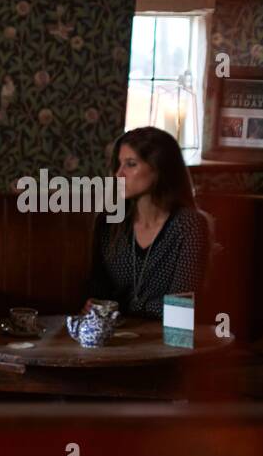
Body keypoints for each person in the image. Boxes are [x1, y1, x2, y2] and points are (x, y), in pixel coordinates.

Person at [88, 127, 211, 318]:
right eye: (119, 165)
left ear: (158, 168)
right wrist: (93, 306)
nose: (118, 175)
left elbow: (182, 307)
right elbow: (98, 293)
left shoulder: (189, 225)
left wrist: (122, 310)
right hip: (116, 335)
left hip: (171, 335)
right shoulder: (109, 222)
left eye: (130, 164)